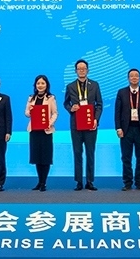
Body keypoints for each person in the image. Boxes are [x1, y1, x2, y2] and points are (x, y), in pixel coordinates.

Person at [64, 59, 103, 191]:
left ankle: (90, 181)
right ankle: (79, 181)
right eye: (79, 69)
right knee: (77, 152)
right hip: (76, 124)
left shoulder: (95, 85)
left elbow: (99, 104)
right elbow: (66, 103)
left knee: (90, 152)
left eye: (84, 68)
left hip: (91, 124)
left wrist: (96, 119)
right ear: (75, 71)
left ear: (88, 70)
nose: (81, 70)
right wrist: (71, 108)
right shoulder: (70, 86)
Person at [114, 68, 140, 191]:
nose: (134, 78)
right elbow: (117, 112)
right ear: (128, 78)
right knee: (126, 157)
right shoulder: (121, 92)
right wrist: (118, 128)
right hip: (126, 130)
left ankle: (139, 182)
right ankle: (127, 182)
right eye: (132, 76)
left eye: (136, 76)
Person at [25, 75, 58, 191]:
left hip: (46, 131)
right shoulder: (31, 98)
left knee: (45, 157)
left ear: (46, 85)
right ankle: (39, 182)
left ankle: (44, 182)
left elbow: (55, 113)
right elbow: (26, 113)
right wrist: (30, 111)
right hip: (34, 130)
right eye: (38, 83)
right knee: (37, 157)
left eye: (43, 83)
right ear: (35, 85)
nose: (40, 85)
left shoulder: (51, 98)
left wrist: (50, 123)